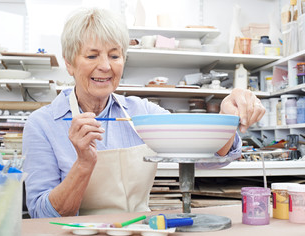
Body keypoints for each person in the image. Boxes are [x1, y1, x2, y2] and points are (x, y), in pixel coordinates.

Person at [22, 7, 265, 218]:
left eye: (114, 55)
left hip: (137, 231)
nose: (106, 66)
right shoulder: (42, 124)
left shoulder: (142, 113)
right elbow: (42, 213)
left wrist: (227, 118)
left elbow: (206, 154)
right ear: (69, 63)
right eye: (92, 55)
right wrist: (83, 164)